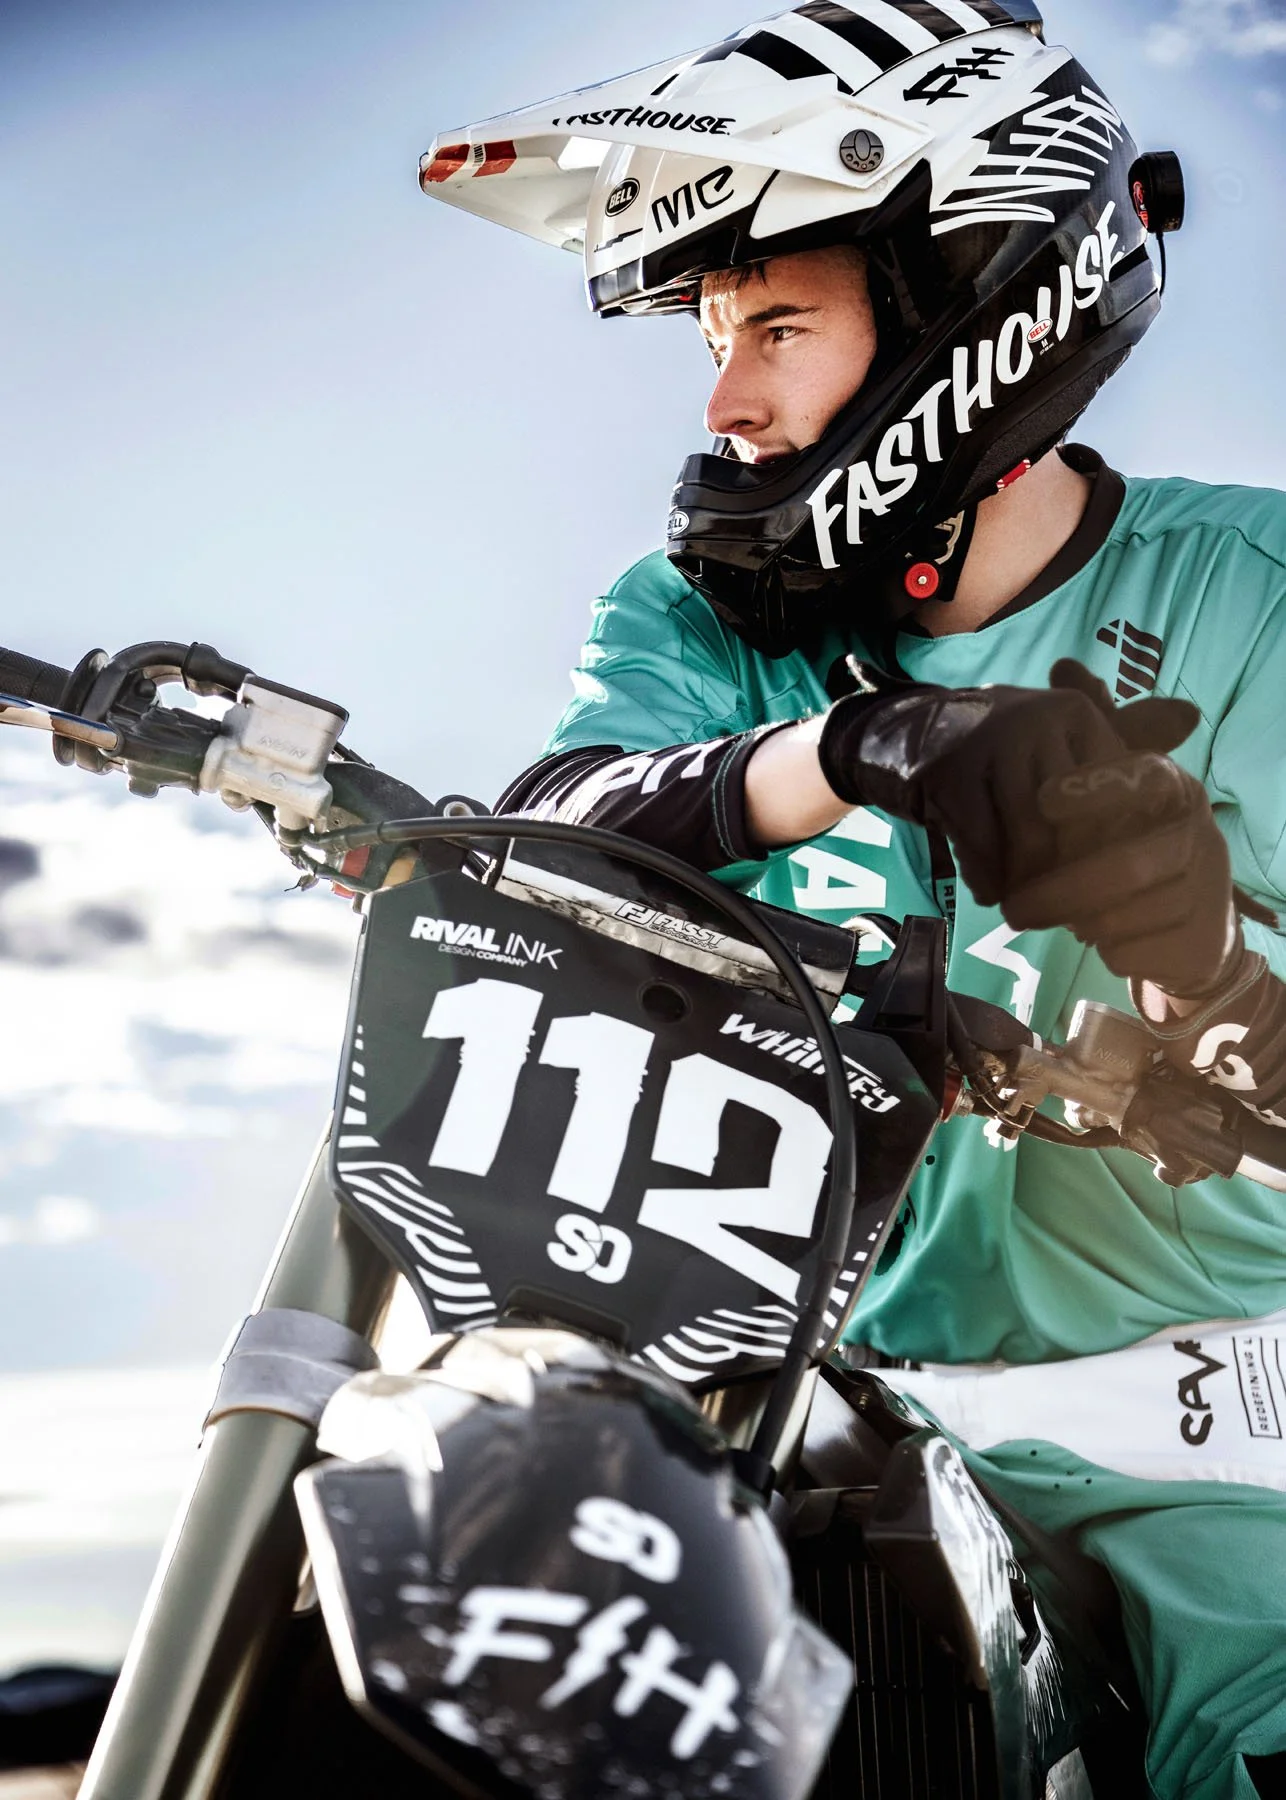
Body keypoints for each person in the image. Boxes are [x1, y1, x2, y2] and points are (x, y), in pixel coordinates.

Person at [420, 4, 1286, 1794]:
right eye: (714, 333)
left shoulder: (1260, 596)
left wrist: (1194, 948)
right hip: (824, 1397)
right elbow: (560, 830)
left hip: (1210, 1417)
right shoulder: (692, 622)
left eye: (781, 326)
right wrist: (865, 746)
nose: (725, 397)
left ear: (978, 308)